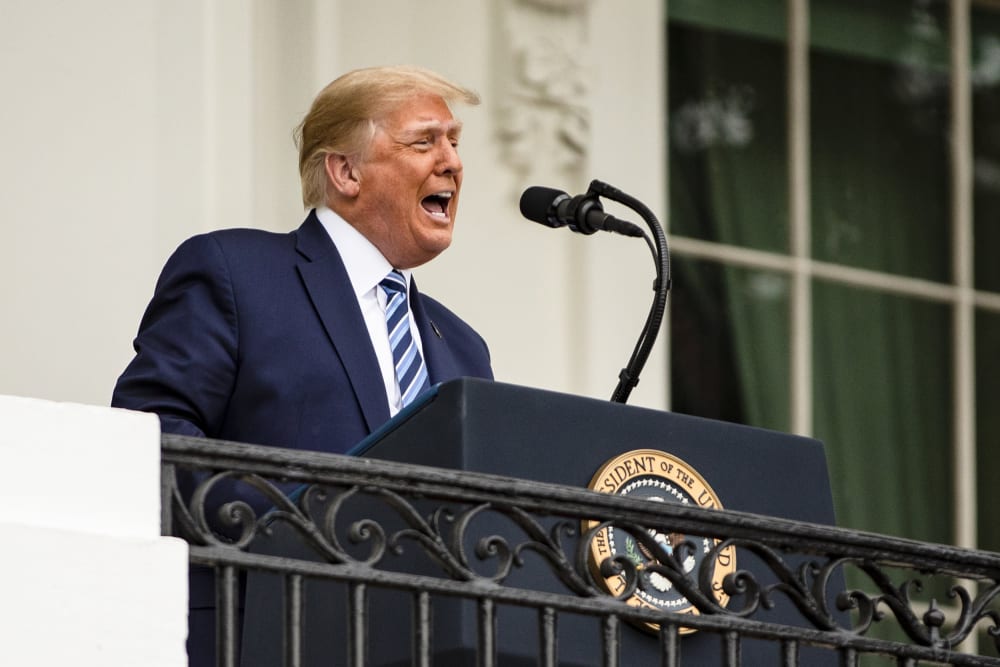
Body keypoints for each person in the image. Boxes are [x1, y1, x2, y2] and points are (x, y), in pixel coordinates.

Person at [111, 65, 494, 665]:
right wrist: (311, 525)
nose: (451, 162)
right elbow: (150, 441)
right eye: (425, 141)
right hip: (259, 635)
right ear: (345, 172)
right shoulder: (236, 272)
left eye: (454, 141)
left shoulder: (464, 348)